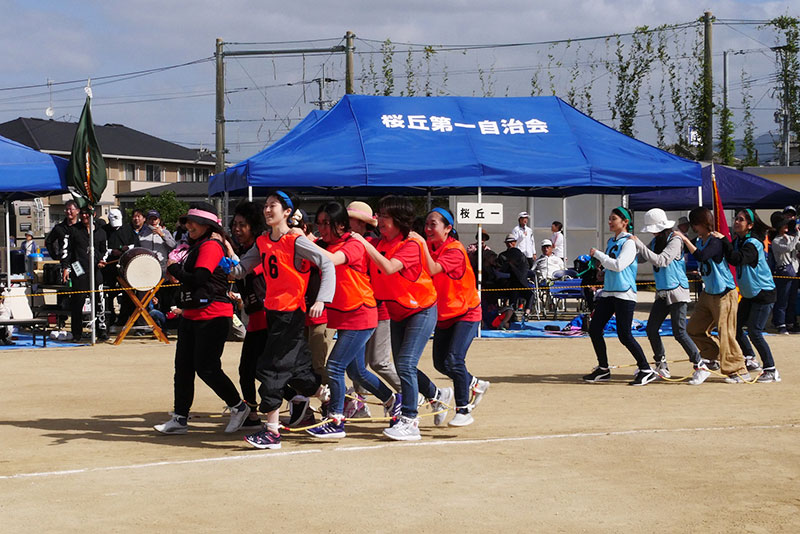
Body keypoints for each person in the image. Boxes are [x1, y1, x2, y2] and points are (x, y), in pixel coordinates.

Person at [229, 191, 335, 450]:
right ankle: (327, 396)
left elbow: (327, 262)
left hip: (291, 314)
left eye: (272, 206)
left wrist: (322, 298)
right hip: (274, 314)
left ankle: (273, 431)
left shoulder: (295, 239)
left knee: (271, 369)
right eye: (265, 206)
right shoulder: (264, 240)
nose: (267, 210)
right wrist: (219, 264)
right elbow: (241, 269)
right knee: (298, 369)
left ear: (287, 212)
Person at [306, 202, 401, 439]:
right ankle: (392, 400)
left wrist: (299, 238)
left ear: (340, 224)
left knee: (335, 366)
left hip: (361, 313)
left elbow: (328, 260)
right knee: (357, 371)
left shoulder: (355, 244)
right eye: (319, 224)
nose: (322, 228)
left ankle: (336, 419)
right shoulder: (327, 243)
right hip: (346, 315)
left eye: (326, 223)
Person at [154, 202, 250, 435]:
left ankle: (238, 406)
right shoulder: (194, 245)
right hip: (192, 314)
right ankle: (179, 418)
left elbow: (199, 277)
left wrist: (174, 269)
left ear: (207, 225)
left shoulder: (212, 245)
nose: (189, 226)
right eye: (187, 222)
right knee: (183, 368)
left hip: (214, 315)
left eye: (193, 222)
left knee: (206, 367)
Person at [350, 195, 439, 441]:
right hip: (398, 310)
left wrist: (365, 244)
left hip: (421, 309)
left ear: (399, 220)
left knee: (405, 364)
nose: (380, 220)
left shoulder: (410, 243)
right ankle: (436, 395)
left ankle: (410, 420)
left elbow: (389, 267)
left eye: (385, 216)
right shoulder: (379, 242)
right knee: (402, 365)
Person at [414, 207, 490, 427]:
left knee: (455, 360)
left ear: (448, 229)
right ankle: (475, 383)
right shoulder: (429, 246)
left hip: (466, 313)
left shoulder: (454, 250)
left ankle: (463, 410)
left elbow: (433, 268)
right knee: (440, 364)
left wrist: (418, 244)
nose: (427, 228)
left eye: (433, 224)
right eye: (426, 224)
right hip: (444, 315)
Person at [583, 206, 657, 386]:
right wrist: (602, 273)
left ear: (625, 222)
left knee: (624, 335)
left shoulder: (629, 242)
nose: (610, 221)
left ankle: (646, 369)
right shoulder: (611, 241)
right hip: (609, 292)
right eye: (609, 218)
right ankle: (603, 369)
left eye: (613, 219)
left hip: (624, 294)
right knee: (594, 329)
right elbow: (611, 267)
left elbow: (619, 265)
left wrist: (599, 255)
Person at [674, 207, 748, 383]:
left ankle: (738, 370)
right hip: (709, 292)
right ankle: (712, 356)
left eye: (695, 225)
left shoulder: (715, 241)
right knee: (693, 329)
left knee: (726, 333)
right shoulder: (699, 240)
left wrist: (684, 239)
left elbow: (701, 256)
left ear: (701, 223)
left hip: (725, 293)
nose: (694, 229)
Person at [631, 208, 703, 381]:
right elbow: (640, 257)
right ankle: (661, 365)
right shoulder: (656, 241)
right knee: (651, 329)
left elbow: (662, 261)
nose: (652, 233)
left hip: (677, 292)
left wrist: (639, 244)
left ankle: (700, 364)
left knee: (679, 332)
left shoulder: (676, 239)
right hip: (662, 292)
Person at [347, 201, 402, 408]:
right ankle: (360, 403)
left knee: (378, 362)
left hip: (379, 309)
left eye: (350, 219)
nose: (345, 223)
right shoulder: (353, 242)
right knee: (355, 364)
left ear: (361, 223)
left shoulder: (372, 244)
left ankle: (414, 393)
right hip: (360, 309)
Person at [717, 209, 781, 383]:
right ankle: (750, 358)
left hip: (763, 293)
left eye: (741, 220)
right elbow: (731, 257)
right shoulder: (739, 241)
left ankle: (771, 369)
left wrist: (724, 240)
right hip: (749, 294)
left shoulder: (753, 243)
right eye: (736, 218)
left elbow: (737, 259)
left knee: (755, 331)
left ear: (750, 225)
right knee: (735, 328)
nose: (736, 222)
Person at [230, 201, 269, 431]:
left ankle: (300, 400)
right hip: (254, 317)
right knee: (247, 369)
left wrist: (229, 253)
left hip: (268, 317)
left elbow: (248, 270)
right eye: (235, 224)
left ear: (254, 227)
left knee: (262, 369)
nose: (237, 229)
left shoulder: (262, 249)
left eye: (242, 225)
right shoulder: (246, 250)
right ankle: (252, 413)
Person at [62, 206, 108, 342]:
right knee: (77, 301)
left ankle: (101, 330)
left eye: (87, 214)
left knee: (99, 301)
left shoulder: (101, 232)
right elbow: (67, 251)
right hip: (79, 268)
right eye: (82, 214)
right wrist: (65, 267)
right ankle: (77, 333)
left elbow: (104, 250)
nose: (84, 216)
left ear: (93, 214)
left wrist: (102, 260)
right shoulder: (74, 231)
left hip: (96, 270)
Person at [102, 208, 140, 328]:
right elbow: (100, 247)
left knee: (127, 293)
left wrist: (126, 248)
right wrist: (111, 252)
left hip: (126, 267)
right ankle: (109, 317)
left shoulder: (128, 230)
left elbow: (136, 245)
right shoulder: (104, 231)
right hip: (108, 267)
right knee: (108, 293)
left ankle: (124, 318)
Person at [768, 211, 800, 334]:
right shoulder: (776, 241)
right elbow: (789, 248)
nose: (787, 226)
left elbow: (796, 246)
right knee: (782, 300)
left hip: (794, 272)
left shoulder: (790, 237)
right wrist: (797, 235)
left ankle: (790, 323)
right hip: (784, 272)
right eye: (784, 224)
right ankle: (780, 324)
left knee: (792, 299)